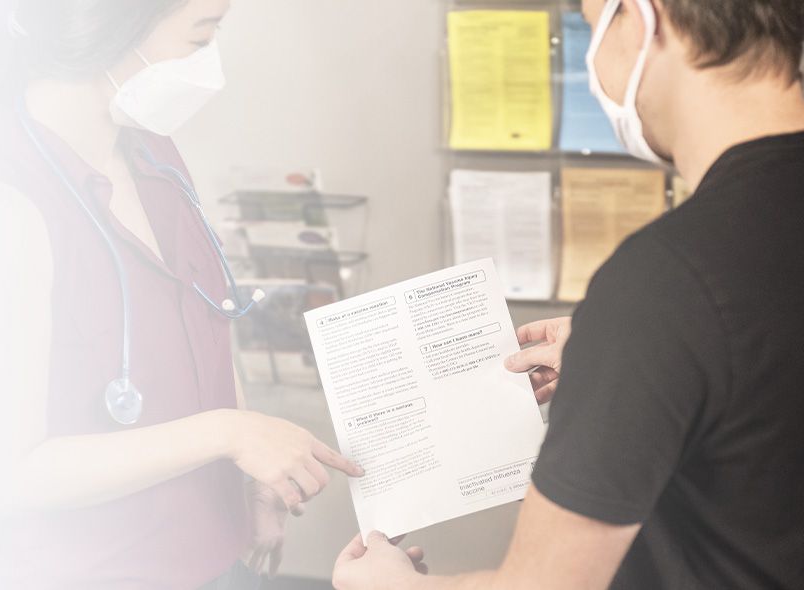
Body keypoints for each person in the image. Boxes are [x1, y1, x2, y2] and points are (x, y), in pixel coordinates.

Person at [331, 0, 804, 588]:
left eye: (589, 22)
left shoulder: (666, 279)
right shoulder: (678, 298)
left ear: (641, 18)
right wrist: (642, 352)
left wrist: (391, 584)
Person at [0, 1, 363, 588]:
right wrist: (231, 434)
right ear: (115, 26)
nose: (210, 63)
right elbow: (6, 476)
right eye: (201, 36)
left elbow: (206, 321)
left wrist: (249, 480)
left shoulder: (154, 156)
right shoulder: (0, 207)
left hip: (216, 554)